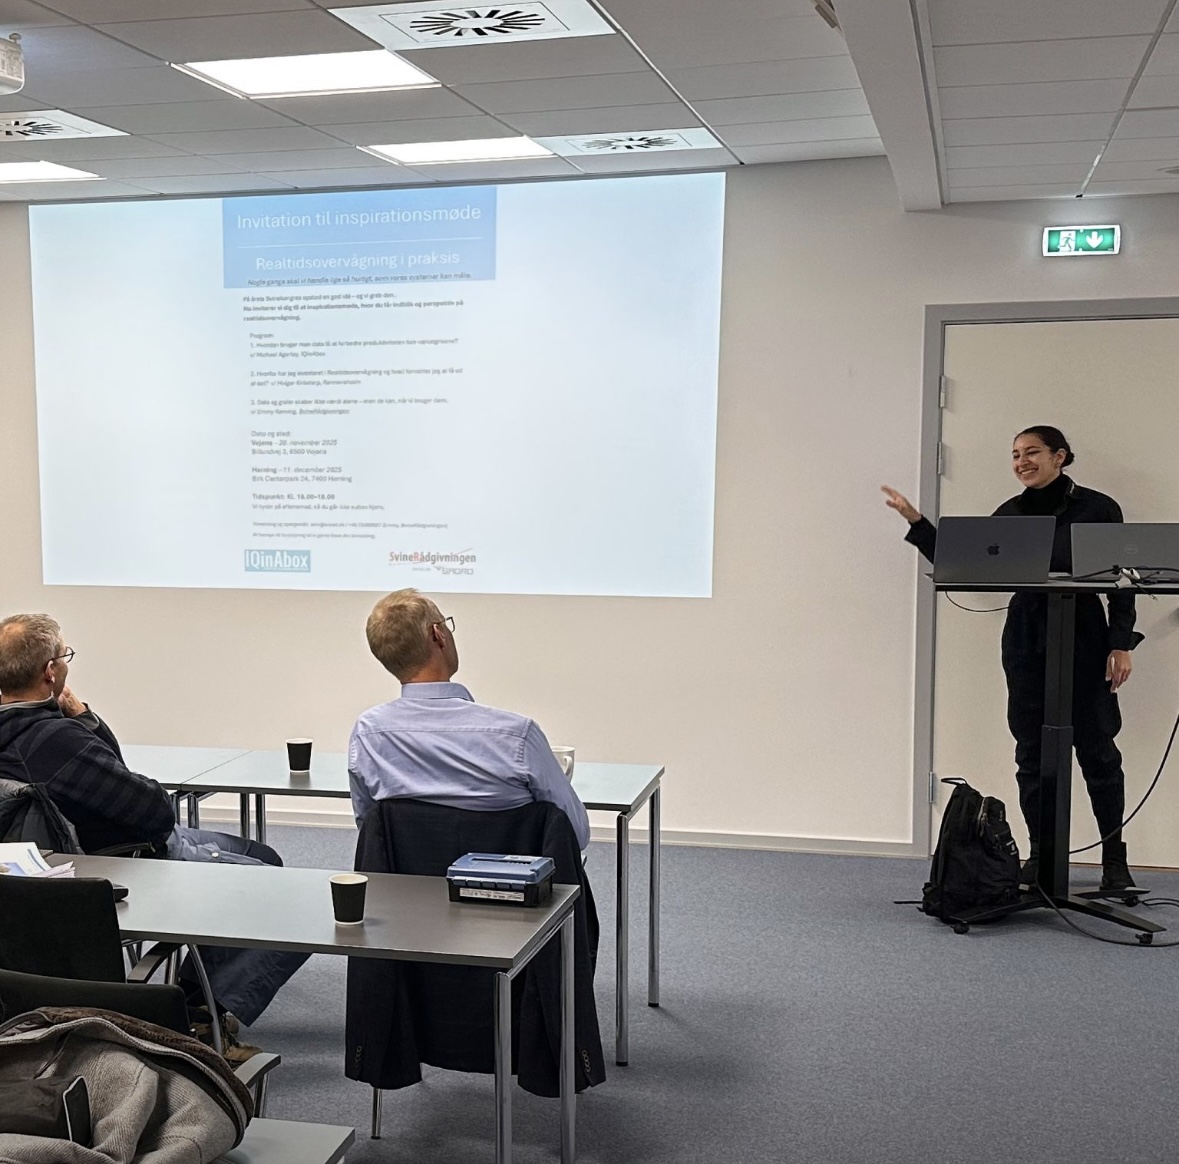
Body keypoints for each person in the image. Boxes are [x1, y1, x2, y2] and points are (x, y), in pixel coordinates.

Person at [0, 614, 308, 1055]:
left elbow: (112, 773)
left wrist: (83, 719)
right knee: (292, 898)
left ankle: (202, 994)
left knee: (263, 855)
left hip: (50, 869)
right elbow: (154, 811)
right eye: (64, 656)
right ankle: (195, 1018)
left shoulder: (32, 732)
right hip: (128, 860)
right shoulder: (54, 741)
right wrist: (82, 723)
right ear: (50, 671)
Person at [883, 426, 1143, 892]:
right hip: (1026, 639)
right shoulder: (1010, 513)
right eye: (1016, 455)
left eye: (1032, 452)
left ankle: (1114, 861)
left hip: (1085, 638)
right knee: (1031, 754)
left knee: (1099, 752)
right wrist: (917, 522)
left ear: (1060, 456)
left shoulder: (1099, 508)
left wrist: (1119, 644)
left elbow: (1123, 581)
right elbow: (965, 562)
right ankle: (1041, 856)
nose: (1022, 462)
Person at [349, 589, 591, 848]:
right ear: (438, 634)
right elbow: (575, 833)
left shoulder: (367, 735)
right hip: (507, 875)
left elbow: (371, 830)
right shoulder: (518, 736)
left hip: (407, 875)